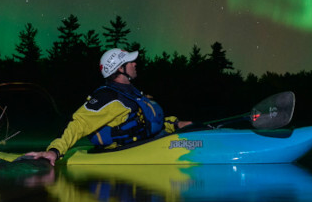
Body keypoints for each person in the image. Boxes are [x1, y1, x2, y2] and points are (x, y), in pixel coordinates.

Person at [25, 48, 190, 165]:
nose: (134, 64)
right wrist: (54, 151)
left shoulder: (132, 93)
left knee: (196, 128)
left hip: (151, 142)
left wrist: (175, 124)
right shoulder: (108, 97)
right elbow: (79, 124)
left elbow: (145, 121)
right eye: (130, 62)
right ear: (120, 68)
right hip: (127, 153)